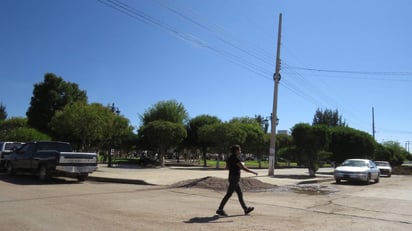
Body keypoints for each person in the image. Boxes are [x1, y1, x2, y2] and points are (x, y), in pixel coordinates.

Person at [216, 144, 258, 216]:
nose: (240, 151)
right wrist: (253, 172)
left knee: (239, 194)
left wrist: (234, 167)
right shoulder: (236, 159)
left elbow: (226, 168)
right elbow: (243, 168)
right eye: (239, 149)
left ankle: (245, 209)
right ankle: (220, 209)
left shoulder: (229, 158)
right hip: (234, 178)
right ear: (236, 151)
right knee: (229, 194)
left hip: (232, 177)